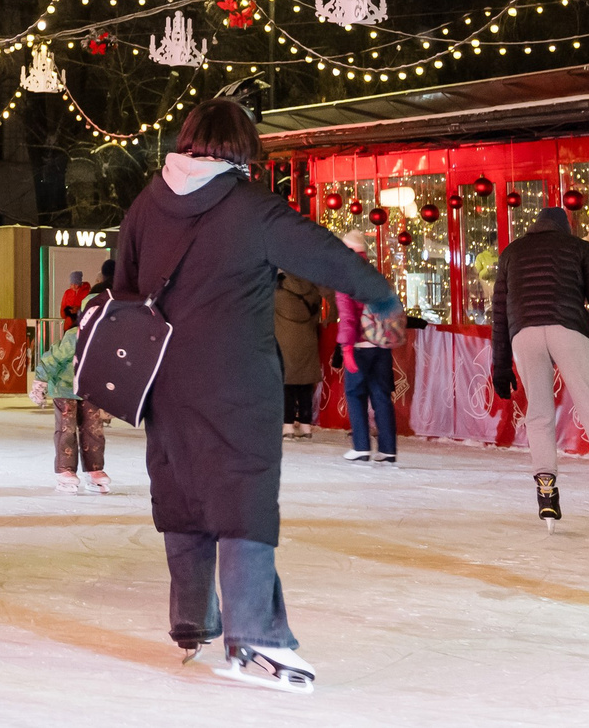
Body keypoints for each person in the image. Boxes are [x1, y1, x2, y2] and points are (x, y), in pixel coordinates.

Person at [116, 100, 400, 692]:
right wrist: (380, 297)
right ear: (243, 150)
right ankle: (257, 641)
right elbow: (323, 254)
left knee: (183, 491)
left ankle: (192, 622)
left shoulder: (146, 204)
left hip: (163, 382)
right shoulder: (251, 208)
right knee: (243, 497)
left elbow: (125, 291)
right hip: (236, 382)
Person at [489, 204, 589, 532]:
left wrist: (500, 365)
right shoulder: (580, 248)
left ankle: (546, 493)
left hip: (524, 333)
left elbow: (499, 313)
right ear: (565, 227)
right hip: (568, 328)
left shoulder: (512, 252)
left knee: (539, 416)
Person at [333, 230, 399, 464]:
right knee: (381, 395)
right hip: (381, 344)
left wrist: (347, 347)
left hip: (360, 345)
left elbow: (348, 317)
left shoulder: (345, 278)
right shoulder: (376, 274)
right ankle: (388, 449)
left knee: (354, 394)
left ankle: (361, 446)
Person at [32, 310, 108, 493]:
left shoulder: (110, 339)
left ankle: (94, 470)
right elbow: (52, 358)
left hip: (89, 390)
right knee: (67, 429)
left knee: (93, 430)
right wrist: (40, 381)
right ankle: (65, 471)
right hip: (64, 388)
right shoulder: (75, 336)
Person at [273, 272, 327, 441]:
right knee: (305, 384)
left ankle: (287, 425)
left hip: (285, 343)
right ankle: (305, 425)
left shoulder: (276, 295)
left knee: (287, 384)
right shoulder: (313, 293)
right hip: (308, 342)